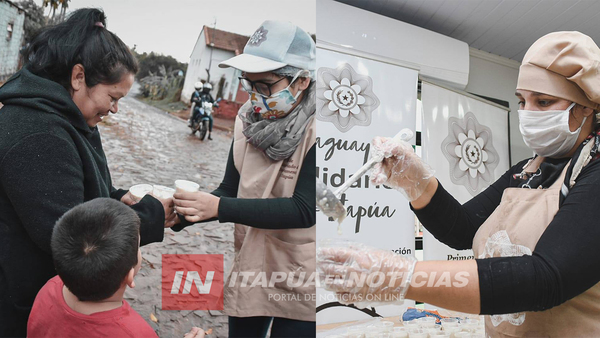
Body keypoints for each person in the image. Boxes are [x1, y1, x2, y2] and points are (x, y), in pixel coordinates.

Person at [318, 31, 600, 337]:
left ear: (587, 107)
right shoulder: (526, 173)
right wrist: (417, 182)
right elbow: (463, 228)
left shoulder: (593, 173)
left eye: (543, 102)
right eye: (521, 101)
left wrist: (401, 276)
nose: (527, 114)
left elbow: (545, 278)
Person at [0, 9, 175, 336]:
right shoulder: (38, 134)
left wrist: (117, 197)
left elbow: (81, 187)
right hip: (29, 301)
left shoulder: (70, 117)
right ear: (79, 76)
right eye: (112, 97)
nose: (115, 109)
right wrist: (150, 216)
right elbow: (71, 237)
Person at [172, 20, 316, 338]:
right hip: (251, 265)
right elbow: (229, 189)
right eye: (249, 85)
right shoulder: (245, 121)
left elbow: (304, 209)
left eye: (265, 86)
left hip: (299, 274)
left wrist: (219, 208)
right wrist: (183, 213)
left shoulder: (318, 131)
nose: (255, 97)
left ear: (302, 81)